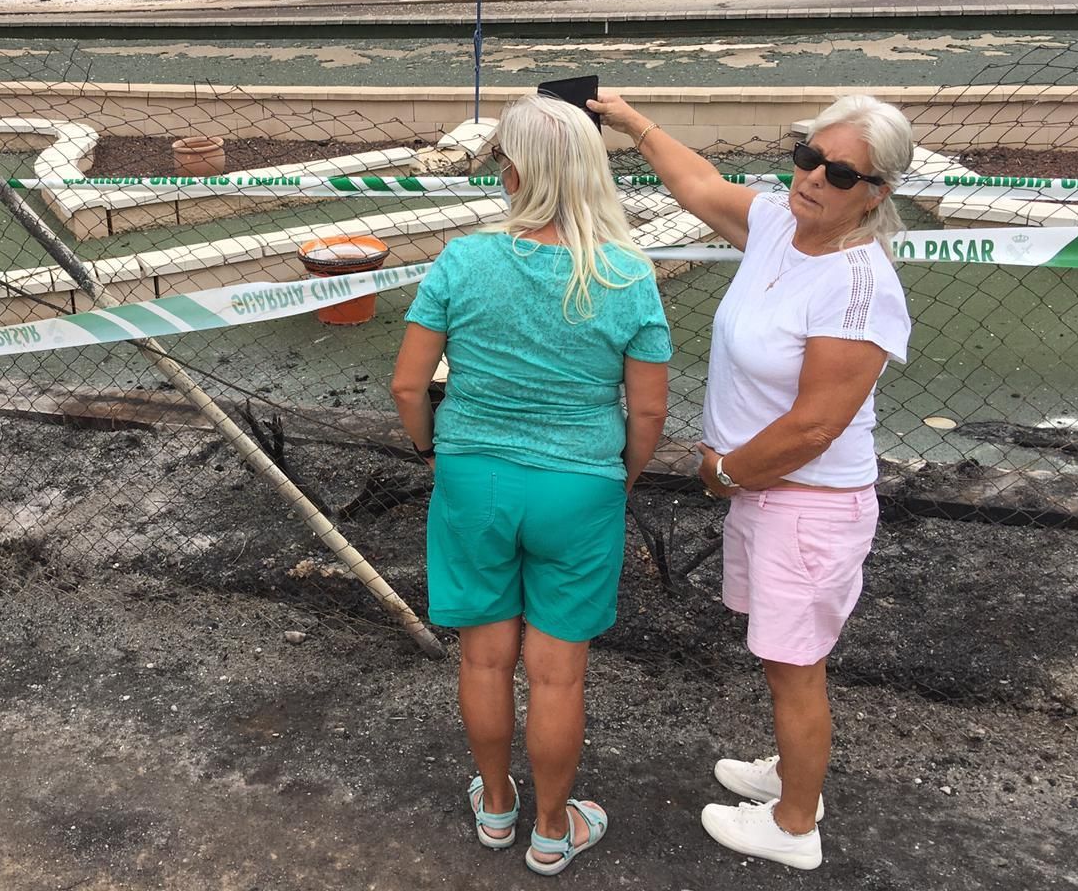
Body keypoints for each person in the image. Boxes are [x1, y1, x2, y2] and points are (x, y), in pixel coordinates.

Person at [585, 90, 913, 871]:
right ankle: (791, 774)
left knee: (797, 669)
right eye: (806, 156)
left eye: (838, 172)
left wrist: (726, 472)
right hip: (769, 492)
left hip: (806, 500)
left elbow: (815, 425)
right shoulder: (779, 226)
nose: (811, 179)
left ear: (876, 192)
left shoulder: (859, 285)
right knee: (784, 655)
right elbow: (697, 185)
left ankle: (795, 825)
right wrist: (636, 125)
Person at [390, 94, 672, 876]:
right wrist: (621, 474)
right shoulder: (627, 273)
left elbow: (409, 387)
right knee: (559, 670)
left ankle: (495, 805)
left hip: (475, 477)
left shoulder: (463, 260)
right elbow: (647, 407)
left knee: (483, 660)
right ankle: (553, 829)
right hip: (580, 486)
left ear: (511, 174)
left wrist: (432, 454)